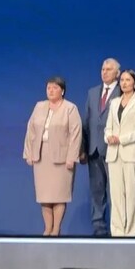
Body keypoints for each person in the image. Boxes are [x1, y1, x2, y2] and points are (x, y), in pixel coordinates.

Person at [24, 76, 82, 236]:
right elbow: (31, 130)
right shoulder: (39, 106)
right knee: (45, 195)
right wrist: (29, 153)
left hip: (62, 158)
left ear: (62, 91)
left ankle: (56, 229)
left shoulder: (70, 108)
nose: (51, 90)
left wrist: (72, 157)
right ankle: (47, 228)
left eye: (55, 88)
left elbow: (76, 134)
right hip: (41, 155)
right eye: (48, 88)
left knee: (59, 195)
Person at [104, 69, 135, 237]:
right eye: (122, 80)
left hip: (130, 152)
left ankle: (130, 232)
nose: (124, 83)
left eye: (128, 80)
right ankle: (117, 232)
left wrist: (121, 139)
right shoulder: (114, 102)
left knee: (131, 194)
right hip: (113, 154)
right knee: (116, 195)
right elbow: (108, 127)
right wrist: (109, 137)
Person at [82, 59, 121, 236]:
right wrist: (83, 149)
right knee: (97, 191)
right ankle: (98, 227)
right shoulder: (92, 92)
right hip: (94, 149)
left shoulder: (123, 91)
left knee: (114, 191)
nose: (104, 72)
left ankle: (116, 227)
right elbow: (86, 121)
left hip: (114, 149)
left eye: (109, 69)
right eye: (103, 69)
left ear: (117, 73)